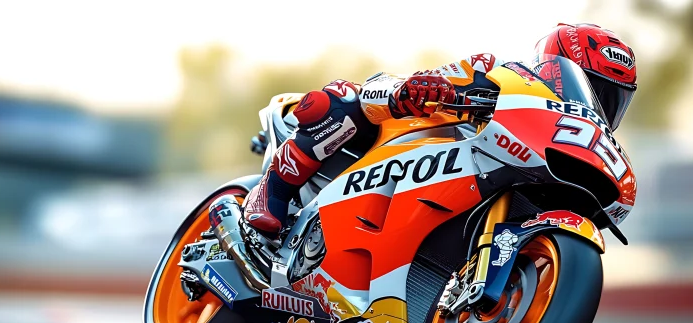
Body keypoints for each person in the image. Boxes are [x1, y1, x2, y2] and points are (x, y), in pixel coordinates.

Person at [243, 23, 638, 236]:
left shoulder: (570, 136)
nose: (601, 106)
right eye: (595, 89)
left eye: (613, 100)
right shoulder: (500, 72)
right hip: (404, 140)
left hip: (467, 182)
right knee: (345, 99)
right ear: (557, 65)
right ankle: (272, 191)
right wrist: (418, 89)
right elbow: (412, 80)